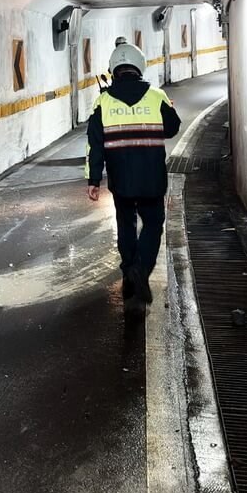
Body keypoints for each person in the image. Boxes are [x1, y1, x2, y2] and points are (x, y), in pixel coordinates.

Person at [86, 42, 181, 305]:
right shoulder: (156, 96)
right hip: (152, 178)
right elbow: (172, 129)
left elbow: (95, 144)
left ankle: (129, 271)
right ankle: (141, 270)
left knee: (125, 225)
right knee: (152, 224)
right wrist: (168, 108)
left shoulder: (103, 102)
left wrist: (94, 179)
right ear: (140, 67)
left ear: (114, 70)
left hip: (121, 180)